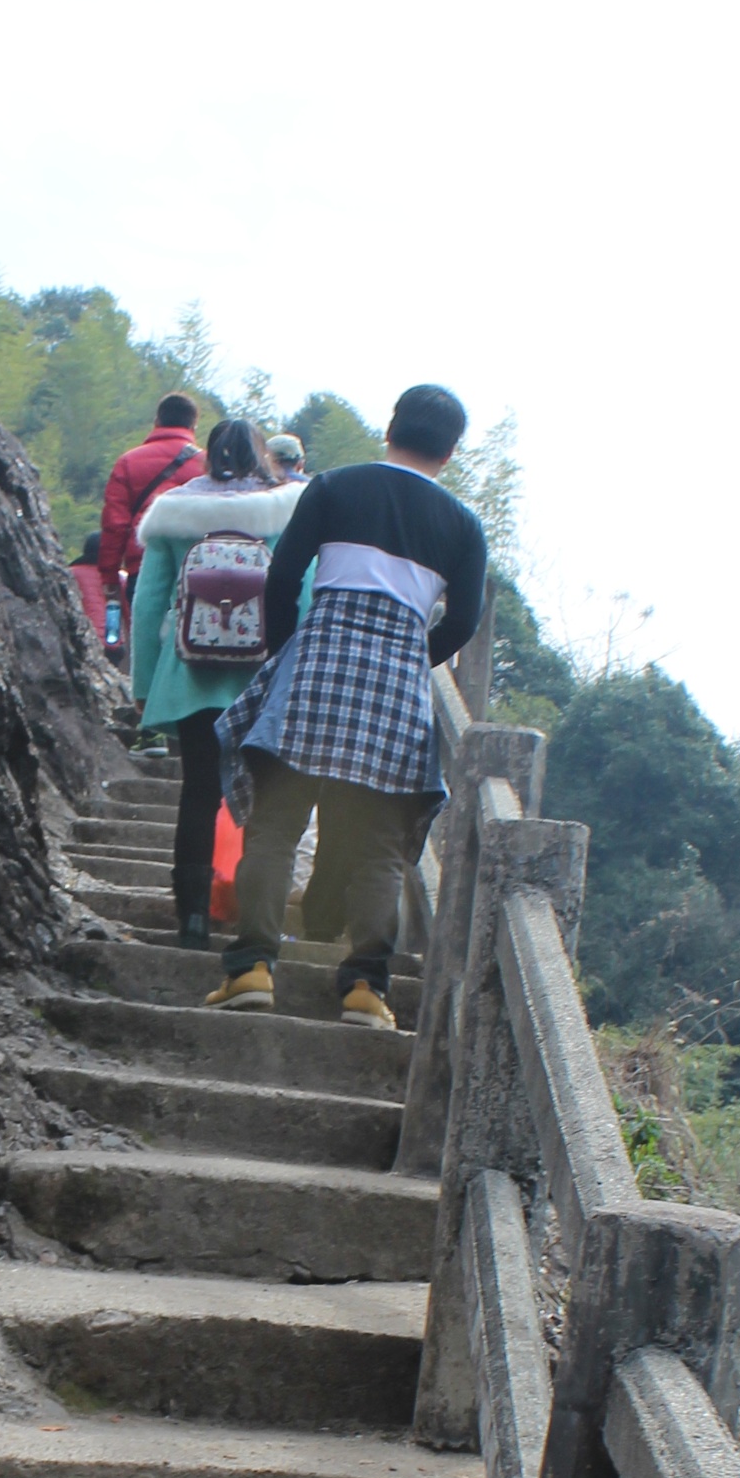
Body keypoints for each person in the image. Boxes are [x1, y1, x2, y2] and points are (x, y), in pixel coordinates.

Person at [206, 382, 487, 1030]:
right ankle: (364, 989)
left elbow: (281, 578)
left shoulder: (332, 488)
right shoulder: (461, 527)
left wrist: (286, 651)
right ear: (449, 454)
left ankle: (250, 967)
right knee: (379, 848)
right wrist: (411, 656)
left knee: (274, 826)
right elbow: (463, 622)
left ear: (389, 429)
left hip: (317, 664)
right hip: (394, 686)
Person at [127, 419, 300, 948]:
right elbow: (304, 598)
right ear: (260, 458)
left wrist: (143, 683)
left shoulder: (177, 513)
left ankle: (193, 920)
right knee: (266, 803)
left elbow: (149, 602)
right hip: (262, 681)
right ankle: (255, 920)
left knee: (199, 794)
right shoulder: (282, 513)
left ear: (209, 457)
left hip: (190, 675)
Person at [94, 394, 204, 615]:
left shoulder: (128, 462)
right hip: (196, 569)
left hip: (143, 569)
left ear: (157, 421)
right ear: (193, 425)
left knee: (145, 642)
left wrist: (110, 577)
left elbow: (115, 525)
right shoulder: (207, 464)